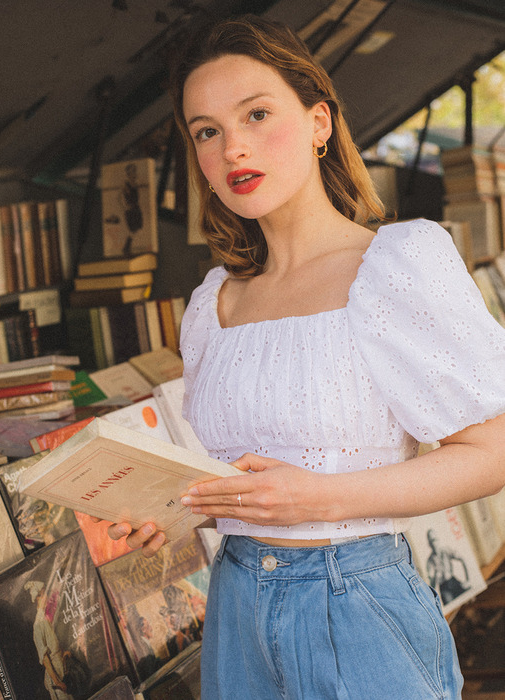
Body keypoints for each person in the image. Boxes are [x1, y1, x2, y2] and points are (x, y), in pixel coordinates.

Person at [105, 14, 505, 699]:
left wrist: (319, 497)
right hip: (234, 606)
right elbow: (248, 480)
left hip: (354, 600)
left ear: (319, 121)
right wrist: (179, 509)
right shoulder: (213, 304)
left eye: (256, 114)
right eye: (207, 131)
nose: (233, 147)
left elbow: (492, 450)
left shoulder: (395, 264)